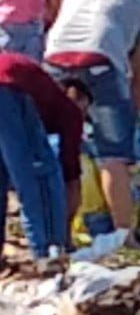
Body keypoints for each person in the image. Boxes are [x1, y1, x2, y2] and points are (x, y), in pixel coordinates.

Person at [44, 0, 140, 238]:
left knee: (61, 151)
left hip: (54, 60)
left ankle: (57, 233)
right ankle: (123, 236)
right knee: (114, 158)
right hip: (100, 62)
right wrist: (130, 116)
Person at [0, 53, 85, 261]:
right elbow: (71, 178)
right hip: (7, 87)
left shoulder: (44, 88)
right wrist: (65, 232)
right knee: (40, 177)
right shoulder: (70, 111)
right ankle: (50, 252)